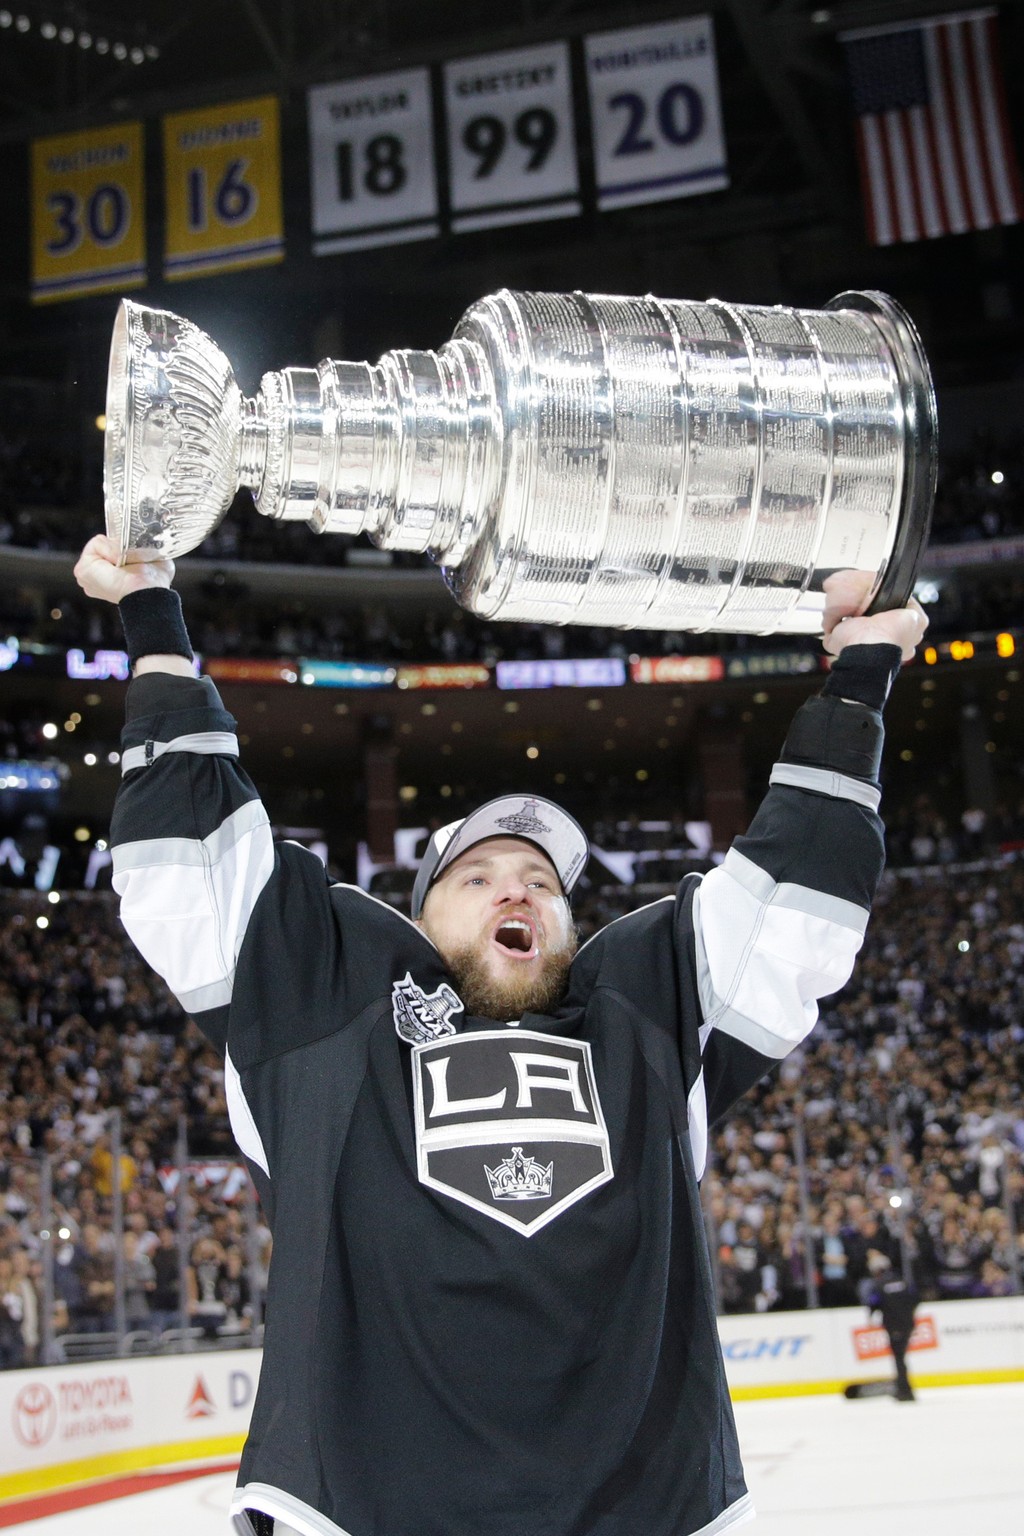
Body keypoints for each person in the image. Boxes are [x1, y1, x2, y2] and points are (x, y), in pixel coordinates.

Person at [74, 533, 926, 1536]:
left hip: (635, 1516)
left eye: (540, 883)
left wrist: (860, 674)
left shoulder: (648, 1019)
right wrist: (152, 614)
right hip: (356, 1514)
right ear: (421, 921)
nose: (515, 889)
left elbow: (793, 903)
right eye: (476, 877)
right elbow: (189, 865)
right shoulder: (325, 1009)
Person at [864, 1252, 918, 1401]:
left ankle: (905, 1390)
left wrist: (872, 1317)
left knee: (899, 1357)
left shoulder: (879, 1285)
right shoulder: (903, 1281)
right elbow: (915, 1298)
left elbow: (873, 1303)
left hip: (893, 1324)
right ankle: (904, 1387)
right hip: (908, 1322)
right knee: (901, 1356)